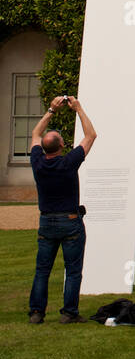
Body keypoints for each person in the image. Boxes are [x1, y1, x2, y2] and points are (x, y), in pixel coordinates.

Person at [28, 94, 97, 323]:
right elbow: (91, 135)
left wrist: (51, 109)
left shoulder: (38, 163)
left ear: (44, 148)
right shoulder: (69, 162)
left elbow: (36, 134)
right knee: (73, 270)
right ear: (62, 146)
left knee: (42, 270)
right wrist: (78, 108)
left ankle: (37, 313)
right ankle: (69, 313)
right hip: (70, 221)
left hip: (46, 222)